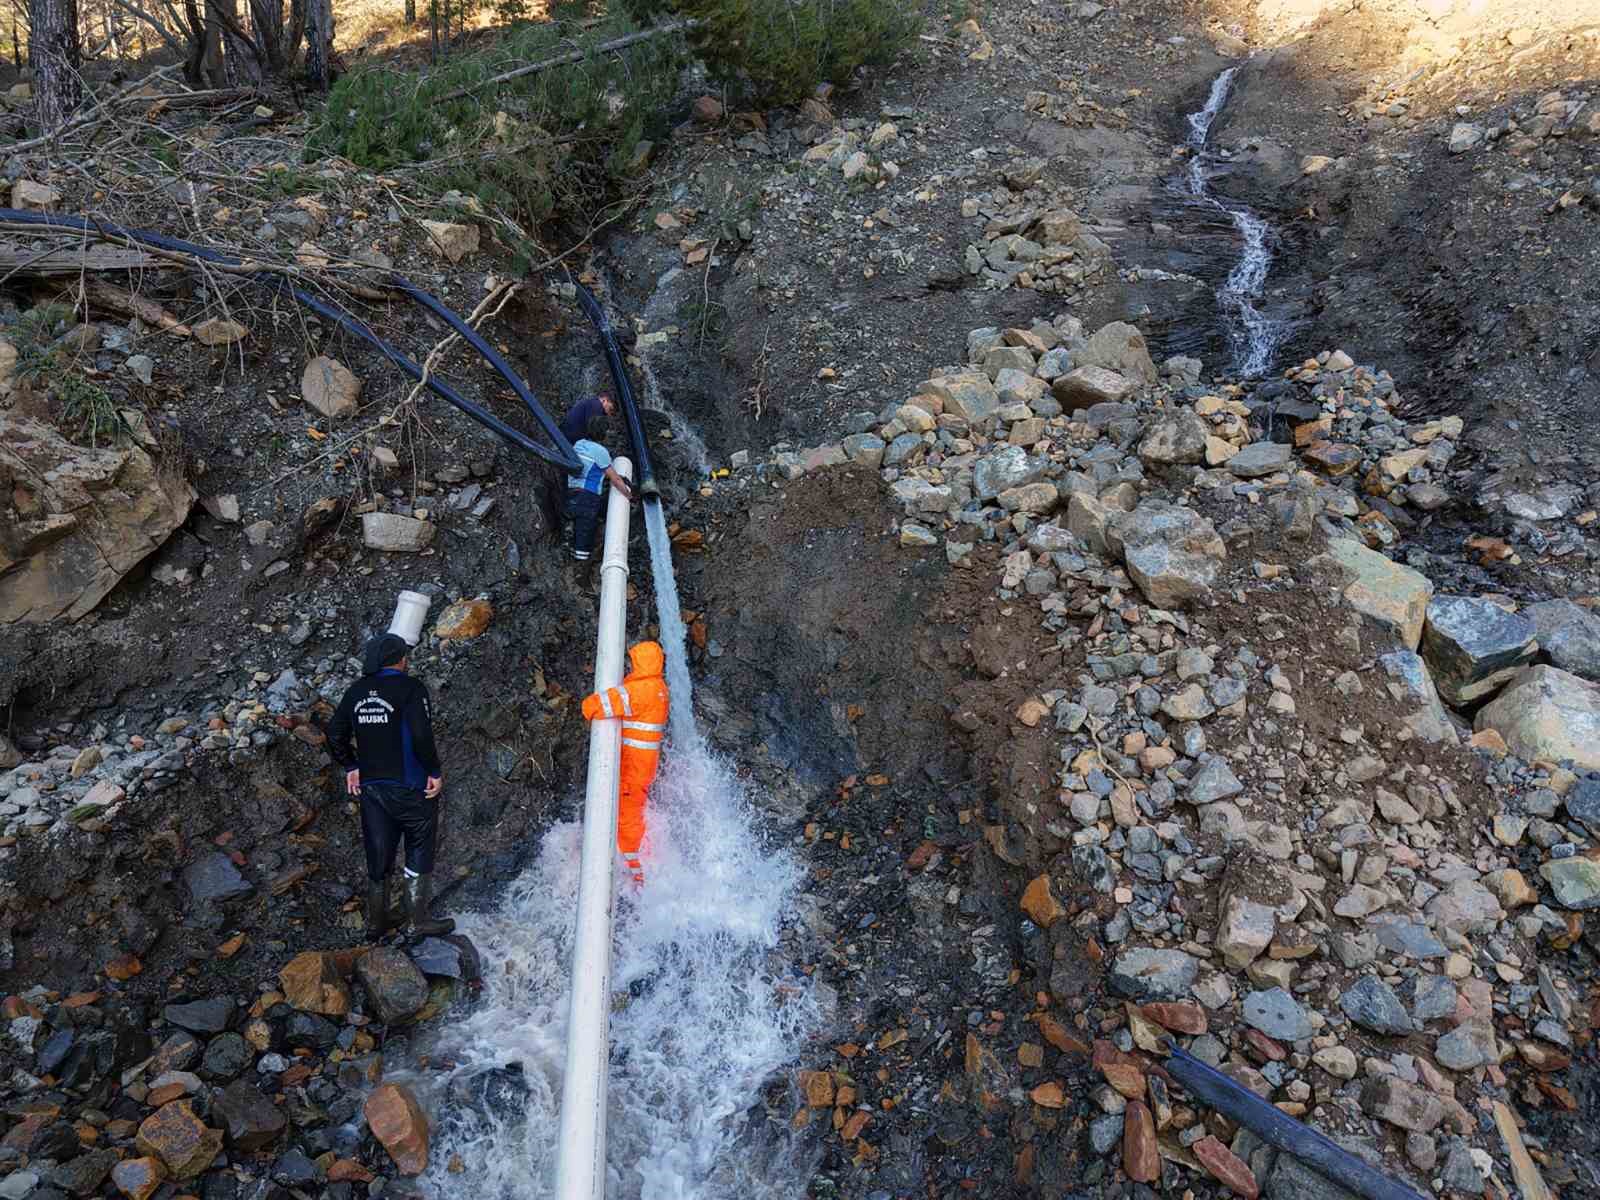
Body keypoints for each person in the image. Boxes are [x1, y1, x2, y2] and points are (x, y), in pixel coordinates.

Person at [328, 633, 454, 938]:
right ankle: (417, 921)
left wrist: (351, 765)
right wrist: (434, 771)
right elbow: (421, 735)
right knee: (419, 844)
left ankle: (376, 924)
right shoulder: (410, 688)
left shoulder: (356, 691)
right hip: (410, 786)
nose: (406, 659)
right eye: (404, 655)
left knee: (379, 850)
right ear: (398, 660)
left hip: (372, 789)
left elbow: (334, 733)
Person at [580, 641, 669, 886]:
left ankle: (639, 873)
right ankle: (647, 860)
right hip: (644, 765)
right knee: (636, 812)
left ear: (640, 663)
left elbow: (594, 706)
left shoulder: (641, 691)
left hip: (634, 768)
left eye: (633, 661)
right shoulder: (659, 687)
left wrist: (588, 708)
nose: (629, 665)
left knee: (627, 817)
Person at [565, 419, 633, 592]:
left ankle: (571, 556)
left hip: (571, 494)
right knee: (585, 539)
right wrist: (628, 494)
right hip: (588, 498)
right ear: (603, 434)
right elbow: (614, 478)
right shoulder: (600, 451)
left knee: (578, 531)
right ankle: (580, 580)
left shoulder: (579, 444)